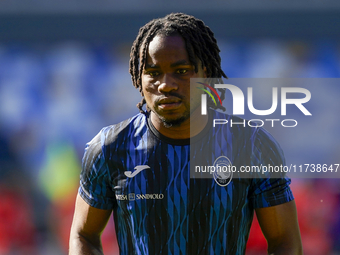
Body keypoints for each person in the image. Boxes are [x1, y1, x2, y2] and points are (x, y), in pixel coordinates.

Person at [69, 13, 302, 255]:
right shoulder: (110, 148)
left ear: (207, 73)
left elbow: (284, 241)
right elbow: (83, 234)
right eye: (154, 72)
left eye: (181, 71)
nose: (166, 84)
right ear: (139, 77)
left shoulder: (252, 145)